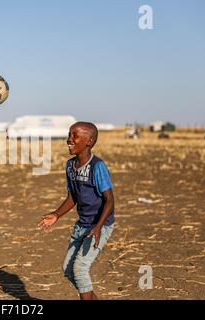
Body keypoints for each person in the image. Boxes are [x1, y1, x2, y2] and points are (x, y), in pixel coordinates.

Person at [38, 121, 115, 300]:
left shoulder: (97, 166)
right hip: (82, 225)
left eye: (74, 136)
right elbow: (73, 196)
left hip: (99, 226)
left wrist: (98, 227)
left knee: (80, 269)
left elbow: (109, 200)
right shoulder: (70, 166)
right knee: (68, 269)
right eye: (69, 135)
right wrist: (56, 214)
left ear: (89, 141)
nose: (69, 140)